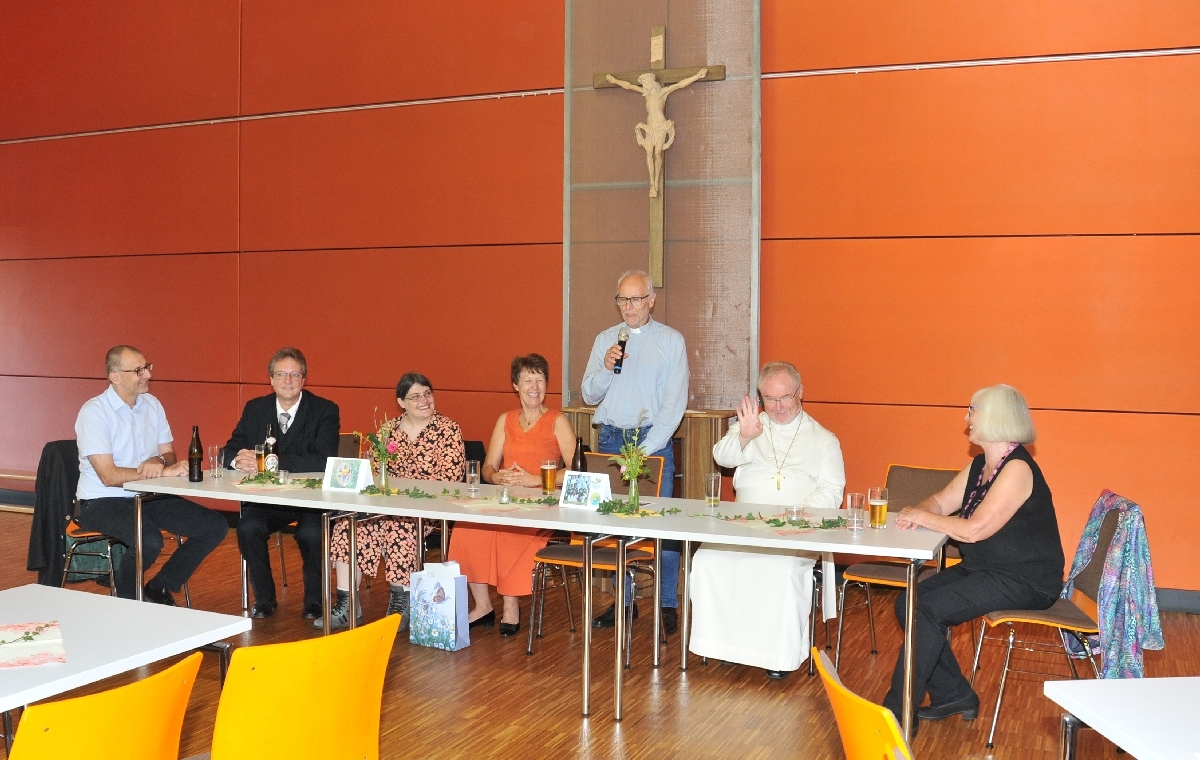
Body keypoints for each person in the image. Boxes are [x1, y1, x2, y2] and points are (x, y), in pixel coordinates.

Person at [883, 384, 1064, 730]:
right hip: (986, 569)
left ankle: (896, 713)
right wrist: (917, 513)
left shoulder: (1017, 469)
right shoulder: (981, 464)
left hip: (1025, 580)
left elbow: (974, 530)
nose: (966, 418)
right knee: (909, 602)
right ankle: (953, 694)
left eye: (972, 410)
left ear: (994, 417)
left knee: (928, 609)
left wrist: (922, 517)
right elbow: (940, 502)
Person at [691, 362, 845, 678]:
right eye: (770, 399)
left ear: (800, 392)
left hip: (797, 527)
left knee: (779, 569)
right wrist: (744, 437)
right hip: (744, 523)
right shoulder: (752, 424)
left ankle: (778, 656)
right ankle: (725, 647)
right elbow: (722, 457)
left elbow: (832, 492)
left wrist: (792, 516)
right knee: (708, 559)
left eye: (785, 397)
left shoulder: (824, 439)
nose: (778, 407)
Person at [74, 345, 229, 603]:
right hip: (101, 501)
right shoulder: (94, 412)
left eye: (147, 367)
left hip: (149, 495)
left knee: (214, 526)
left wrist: (159, 460)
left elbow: (168, 453)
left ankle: (160, 587)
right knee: (149, 540)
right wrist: (160, 471)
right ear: (115, 377)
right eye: (138, 370)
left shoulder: (152, 405)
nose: (148, 374)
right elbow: (108, 476)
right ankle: (124, 599)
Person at [581, 269, 688, 634]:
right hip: (611, 439)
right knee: (615, 524)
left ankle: (667, 604)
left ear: (651, 301)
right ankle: (624, 602)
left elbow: (673, 405)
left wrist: (643, 450)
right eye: (622, 299)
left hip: (652, 443)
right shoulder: (606, 340)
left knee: (662, 524)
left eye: (636, 299)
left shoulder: (671, 341)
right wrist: (606, 368)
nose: (628, 306)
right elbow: (589, 394)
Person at [320, 373, 465, 632]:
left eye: (427, 394)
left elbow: (451, 479)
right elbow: (376, 473)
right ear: (401, 402)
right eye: (415, 396)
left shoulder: (448, 429)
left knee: (400, 526)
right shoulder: (388, 430)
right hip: (387, 505)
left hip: (427, 507)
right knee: (347, 525)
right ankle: (347, 604)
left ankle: (401, 600)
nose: (424, 400)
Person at [448, 354, 575, 637]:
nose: (534, 387)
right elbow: (488, 468)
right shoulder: (505, 420)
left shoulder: (557, 420)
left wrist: (534, 479)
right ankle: (483, 606)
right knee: (466, 529)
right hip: (506, 499)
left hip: (543, 502)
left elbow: (576, 471)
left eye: (540, 380)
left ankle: (510, 605)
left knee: (508, 531)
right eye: (528, 380)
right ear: (515, 385)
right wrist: (497, 477)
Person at [224, 347, 339, 620]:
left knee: (312, 534)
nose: (288, 381)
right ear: (271, 379)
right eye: (281, 374)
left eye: (294, 374)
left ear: (304, 379)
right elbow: (229, 449)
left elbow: (323, 460)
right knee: (247, 527)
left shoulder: (325, 410)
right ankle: (264, 598)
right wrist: (238, 461)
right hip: (269, 497)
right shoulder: (255, 408)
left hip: (311, 499)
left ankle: (315, 601)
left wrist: (267, 462)